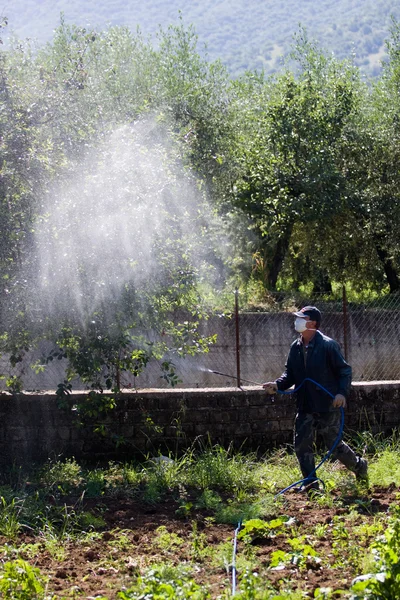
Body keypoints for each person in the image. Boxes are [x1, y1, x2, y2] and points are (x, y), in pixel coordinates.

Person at [263, 305, 368, 491]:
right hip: (305, 403)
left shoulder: (328, 345)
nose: (297, 322)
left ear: (313, 323)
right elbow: (290, 374)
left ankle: (359, 466)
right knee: (302, 444)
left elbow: (345, 371)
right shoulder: (295, 347)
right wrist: (277, 385)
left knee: (333, 445)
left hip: (327, 403)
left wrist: (341, 393)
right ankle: (310, 483)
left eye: (302, 318)